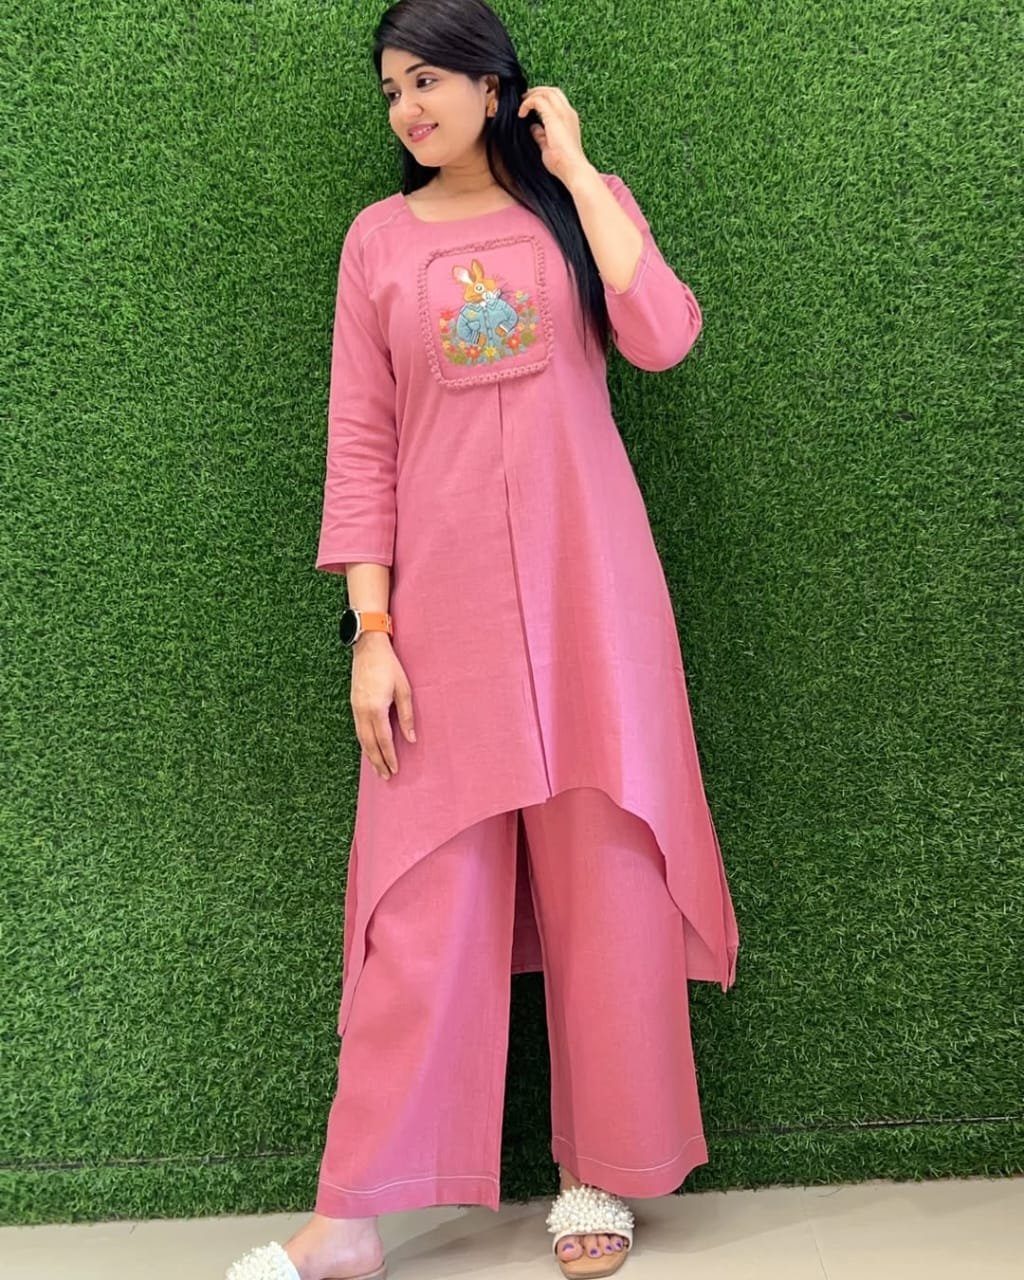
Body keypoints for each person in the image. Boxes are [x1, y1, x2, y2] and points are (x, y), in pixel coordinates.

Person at [227, 2, 739, 1278]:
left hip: (591, 595)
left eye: (429, 80)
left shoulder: (578, 208)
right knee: (422, 905)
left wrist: (577, 168)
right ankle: (351, 1214)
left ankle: (597, 1171)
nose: (407, 108)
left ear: (495, 84)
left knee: (605, 879)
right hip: (440, 612)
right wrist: (371, 627)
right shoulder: (376, 240)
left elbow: (663, 335)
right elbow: (360, 442)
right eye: (391, 89)